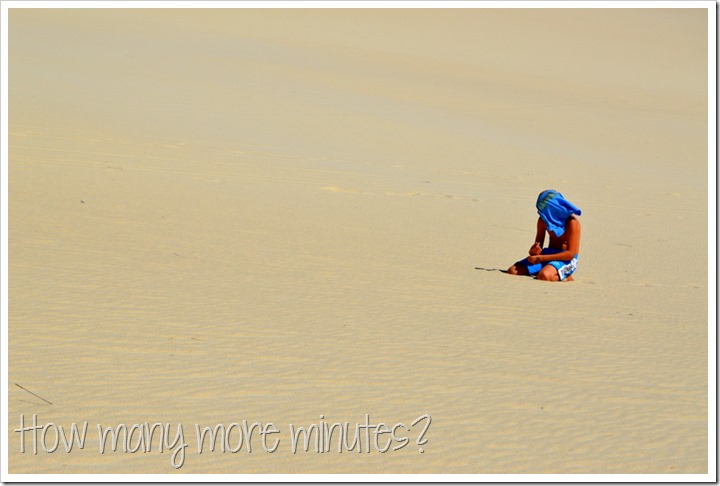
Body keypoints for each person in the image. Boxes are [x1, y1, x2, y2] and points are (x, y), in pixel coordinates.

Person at [507, 189, 581, 282]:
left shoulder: (571, 222)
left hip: (566, 260)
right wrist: (534, 251)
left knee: (544, 276)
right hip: (546, 255)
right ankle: (548, 270)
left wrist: (540, 258)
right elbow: (536, 249)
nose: (542, 213)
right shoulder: (543, 221)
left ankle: (565, 276)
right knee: (512, 271)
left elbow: (570, 254)